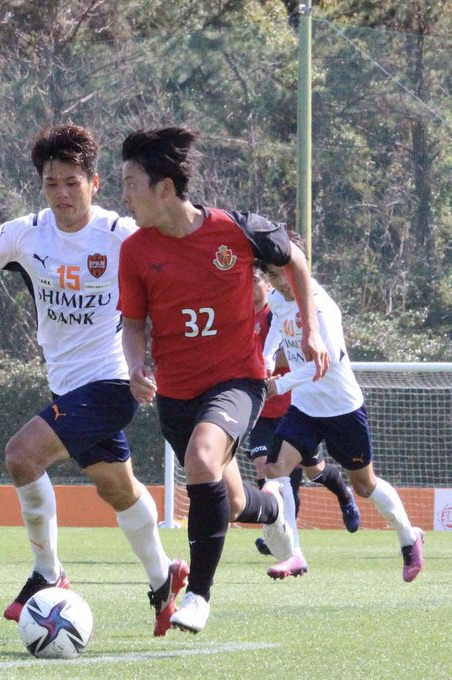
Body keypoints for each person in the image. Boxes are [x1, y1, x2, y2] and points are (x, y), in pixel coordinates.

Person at [0, 123, 188, 637]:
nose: (62, 194)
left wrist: (151, 365)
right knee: (117, 489)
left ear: (94, 183)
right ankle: (164, 578)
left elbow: (168, 290)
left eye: (73, 183)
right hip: (66, 387)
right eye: (52, 184)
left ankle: (48, 572)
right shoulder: (25, 233)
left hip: (112, 385)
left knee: (21, 455)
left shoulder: (122, 235)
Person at [117, 126, 330, 634]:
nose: (124, 196)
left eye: (130, 184)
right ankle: (273, 510)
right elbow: (134, 324)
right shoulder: (135, 251)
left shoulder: (237, 230)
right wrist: (135, 367)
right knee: (231, 502)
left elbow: (295, 259)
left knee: (201, 457)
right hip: (176, 394)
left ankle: (199, 596)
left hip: (238, 380)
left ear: (164, 188)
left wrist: (312, 330)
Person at [262, 230, 424, 582]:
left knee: (365, 486)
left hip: (342, 409)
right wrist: (265, 358)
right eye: (272, 275)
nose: (278, 282)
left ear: (301, 267)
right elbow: (276, 324)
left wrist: (280, 384)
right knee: (275, 469)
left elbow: (328, 360)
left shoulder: (322, 307)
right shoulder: (276, 297)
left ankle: (409, 536)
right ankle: (294, 554)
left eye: (283, 273)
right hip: (305, 408)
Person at [249, 266, 360, 558]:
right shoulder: (245, 314)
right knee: (266, 467)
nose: (250, 287)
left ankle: (343, 493)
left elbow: (302, 353)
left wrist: (266, 364)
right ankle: (280, 534)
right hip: (262, 409)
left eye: (255, 280)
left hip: (292, 404)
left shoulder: (292, 307)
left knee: (313, 471)